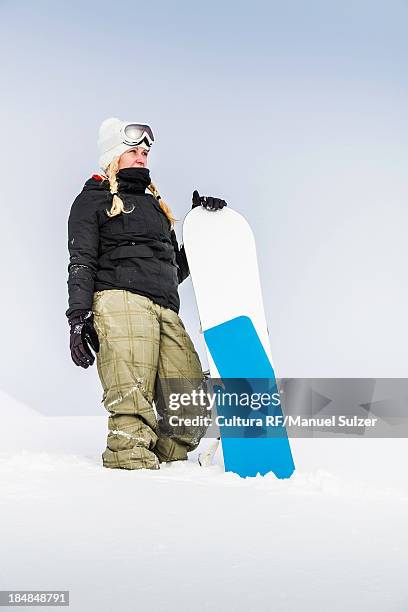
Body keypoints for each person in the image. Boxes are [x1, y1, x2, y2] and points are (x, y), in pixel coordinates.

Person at [65, 117, 227, 470]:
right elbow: (81, 261)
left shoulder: (155, 207)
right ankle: (130, 467)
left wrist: (203, 227)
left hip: (164, 306)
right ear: (113, 157)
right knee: (131, 392)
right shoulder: (92, 200)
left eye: (144, 152)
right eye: (132, 151)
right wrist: (78, 319)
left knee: (188, 400)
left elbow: (172, 270)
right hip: (120, 299)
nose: (141, 157)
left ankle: (167, 467)